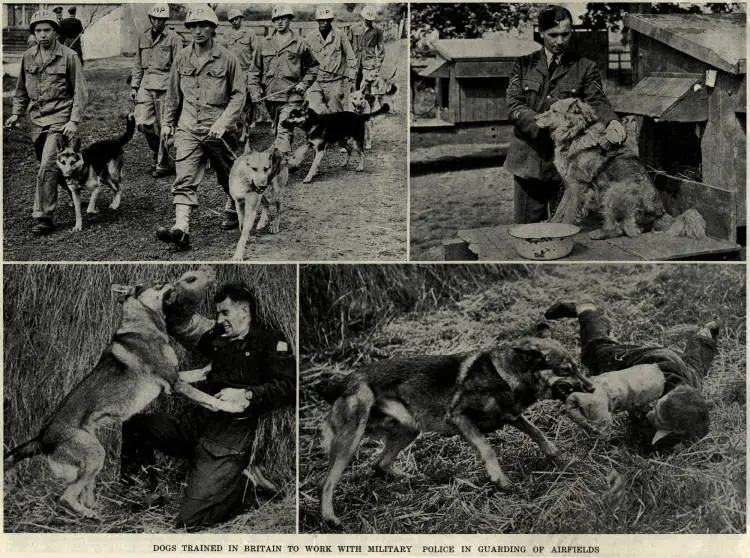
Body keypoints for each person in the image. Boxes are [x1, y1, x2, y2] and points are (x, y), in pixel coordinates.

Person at [120, 283, 295, 532]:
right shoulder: (218, 337)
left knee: (190, 523)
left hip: (227, 438)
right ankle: (143, 491)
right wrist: (148, 298)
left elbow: (289, 385)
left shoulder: (269, 341)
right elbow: (184, 327)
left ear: (244, 311)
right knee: (135, 425)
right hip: (197, 424)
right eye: (217, 313)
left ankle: (246, 484)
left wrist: (247, 394)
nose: (219, 319)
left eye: (225, 313)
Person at [505, 5, 626, 224]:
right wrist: (543, 123)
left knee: (569, 227)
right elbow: (514, 104)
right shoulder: (523, 65)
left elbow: (597, 101)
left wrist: (613, 122)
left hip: (570, 164)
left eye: (565, 34)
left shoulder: (585, 67)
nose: (560, 41)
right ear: (541, 33)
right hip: (529, 162)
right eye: (553, 35)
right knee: (528, 230)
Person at [543, 300, 720, 449]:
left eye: (657, 417)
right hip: (652, 361)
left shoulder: (691, 404)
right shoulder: (650, 380)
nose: (651, 414)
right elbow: (610, 385)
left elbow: (698, 429)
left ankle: (705, 335)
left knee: (696, 369)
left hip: (681, 370)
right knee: (597, 352)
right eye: (655, 410)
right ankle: (586, 308)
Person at [156, 4, 245, 251]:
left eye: (203, 25)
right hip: (188, 127)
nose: (198, 31)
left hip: (219, 130)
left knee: (228, 174)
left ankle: (232, 205)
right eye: (193, 26)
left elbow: (239, 96)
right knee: (184, 177)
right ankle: (181, 230)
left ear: (213, 28)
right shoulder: (182, 57)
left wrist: (223, 123)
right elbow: (173, 94)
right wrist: (167, 123)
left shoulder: (228, 58)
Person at [5, 9, 88, 236]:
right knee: (53, 167)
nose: (42, 34)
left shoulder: (69, 56)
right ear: (33, 33)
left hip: (60, 119)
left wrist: (73, 120)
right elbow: (21, 89)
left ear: (55, 31)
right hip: (36, 121)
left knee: (46, 167)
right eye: (38, 30)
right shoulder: (28, 56)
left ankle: (43, 216)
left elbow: (81, 92)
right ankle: (74, 191)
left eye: (47, 30)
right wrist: (16, 113)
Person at [247, 5, 319, 155]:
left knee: (283, 130)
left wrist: (304, 84)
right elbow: (254, 71)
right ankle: (285, 156)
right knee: (277, 131)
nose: (280, 22)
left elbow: (313, 67)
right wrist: (254, 91)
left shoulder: (300, 43)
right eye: (277, 19)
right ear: (273, 21)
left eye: (283, 18)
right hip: (271, 97)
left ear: (290, 20)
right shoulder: (263, 43)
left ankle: (282, 167)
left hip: (292, 95)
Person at [131, 3, 182, 179]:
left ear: (165, 20)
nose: (157, 22)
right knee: (142, 122)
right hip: (146, 83)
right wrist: (135, 86)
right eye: (154, 18)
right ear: (150, 18)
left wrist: (177, 90)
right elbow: (138, 64)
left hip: (166, 85)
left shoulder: (174, 38)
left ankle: (163, 164)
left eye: (161, 19)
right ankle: (158, 152)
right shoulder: (142, 37)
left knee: (165, 127)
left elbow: (178, 66)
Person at [305, 6, 357, 114]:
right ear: (317, 21)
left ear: (330, 21)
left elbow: (350, 55)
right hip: (316, 80)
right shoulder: (310, 37)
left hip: (335, 80)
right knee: (314, 111)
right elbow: (304, 59)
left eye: (326, 20)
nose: (324, 23)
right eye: (321, 20)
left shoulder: (340, 35)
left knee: (336, 112)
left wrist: (352, 72)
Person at [348, 5, 385, 94]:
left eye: (370, 20)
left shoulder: (378, 30)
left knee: (366, 86)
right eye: (367, 19)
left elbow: (381, 48)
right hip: (355, 61)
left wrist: (378, 65)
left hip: (369, 62)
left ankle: (367, 105)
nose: (368, 21)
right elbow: (348, 46)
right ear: (363, 17)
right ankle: (354, 105)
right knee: (353, 85)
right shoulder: (353, 28)